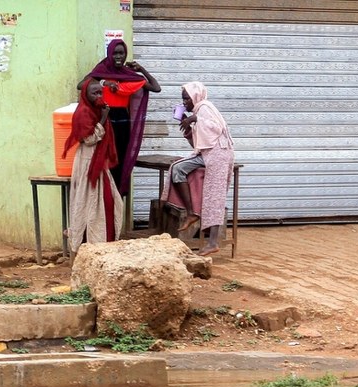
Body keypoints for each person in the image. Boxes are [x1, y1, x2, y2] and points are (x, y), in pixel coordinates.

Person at [78, 39, 160, 197]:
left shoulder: (129, 75)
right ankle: (103, 197)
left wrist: (142, 69)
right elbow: (81, 84)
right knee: (105, 158)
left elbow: (156, 87)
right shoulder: (101, 69)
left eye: (121, 53)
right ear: (109, 54)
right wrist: (104, 82)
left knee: (120, 159)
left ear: (125, 54)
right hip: (105, 118)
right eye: (115, 53)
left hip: (123, 121)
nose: (118, 56)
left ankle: (117, 198)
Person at [164, 81, 234, 256]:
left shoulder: (205, 107)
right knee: (177, 169)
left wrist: (195, 119)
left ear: (196, 97)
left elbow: (216, 128)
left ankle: (212, 242)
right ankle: (192, 212)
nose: (185, 102)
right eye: (183, 99)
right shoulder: (198, 112)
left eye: (187, 99)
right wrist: (186, 124)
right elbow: (198, 143)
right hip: (207, 154)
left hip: (220, 154)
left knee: (214, 196)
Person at [62, 79, 124, 253]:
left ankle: (104, 243)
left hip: (99, 162)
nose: (98, 96)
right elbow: (88, 139)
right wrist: (104, 118)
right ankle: (89, 246)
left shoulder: (97, 109)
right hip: (88, 162)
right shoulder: (83, 112)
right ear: (86, 95)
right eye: (94, 93)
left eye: (100, 93)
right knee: (89, 203)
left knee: (107, 202)